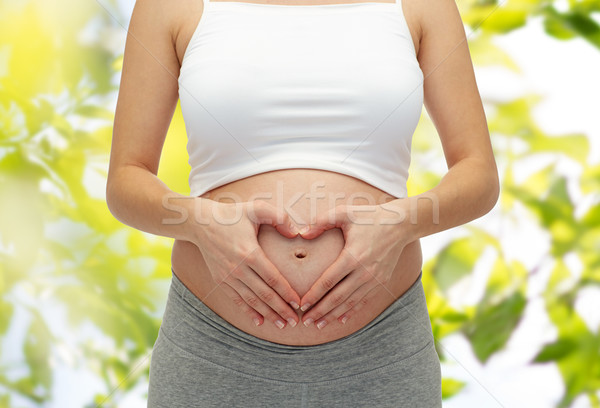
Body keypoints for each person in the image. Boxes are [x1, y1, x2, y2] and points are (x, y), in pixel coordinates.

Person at [106, 0, 499, 405]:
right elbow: (125, 180)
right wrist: (200, 223)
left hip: (382, 349)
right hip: (213, 350)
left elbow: (479, 175)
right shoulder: (169, 6)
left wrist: (400, 224)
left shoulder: (423, 6)